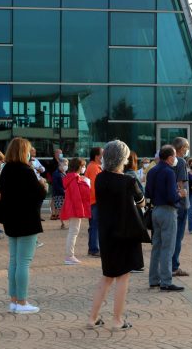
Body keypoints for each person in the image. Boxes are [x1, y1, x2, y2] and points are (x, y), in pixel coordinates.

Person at [90, 140, 146, 329]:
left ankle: (92, 318)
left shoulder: (100, 178)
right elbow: (141, 201)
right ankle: (117, 320)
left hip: (106, 233)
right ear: (123, 158)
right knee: (123, 277)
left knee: (107, 276)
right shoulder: (128, 181)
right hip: (125, 232)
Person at [0, 138, 46, 313]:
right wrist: (43, 185)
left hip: (11, 219)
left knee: (14, 261)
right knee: (24, 262)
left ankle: (13, 300)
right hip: (26, 220)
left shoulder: (6, 169)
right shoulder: (26, 171)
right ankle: (22, 302)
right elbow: (39, 194)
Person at [147, 145, 186, 291]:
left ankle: (154, 279)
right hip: (168, 211)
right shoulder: (169, 172)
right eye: (174, 156)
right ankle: (166, 281)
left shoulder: (152, 171)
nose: (175, 159)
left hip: (155, 210)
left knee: (156, 246)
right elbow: (171, 196)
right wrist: (180, 195)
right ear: (170, 158)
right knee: (168, 247)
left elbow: (148, 192)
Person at [61, 157, 91, 265]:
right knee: (73, 231)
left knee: (73, 231)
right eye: (83, 166)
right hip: (75, 208)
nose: (84, 168)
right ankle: (69, 256)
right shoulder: (75, 178)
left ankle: (70, 255)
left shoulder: (72, 177)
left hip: (73, 207)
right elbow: (77, 196)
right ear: (78, 167)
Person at [171, 138, 192, 277]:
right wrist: (184, 200)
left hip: (172, 203)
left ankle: (169, 264)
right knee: (178, 237)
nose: (187, 150)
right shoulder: (182, 162)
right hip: (181, 204)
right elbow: (181, 183)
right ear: (181, 148)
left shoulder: (169, 162)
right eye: (186, 147)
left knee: (172, 237)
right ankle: (174, 266)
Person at [85, 147, 103, 257]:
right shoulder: (94, 167)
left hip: (93, 200)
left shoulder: (93, 166)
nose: (103, 156)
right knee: (95, 225)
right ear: (97, 156)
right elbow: (95, 187)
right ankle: (94, 249)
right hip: (95, 200)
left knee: (93, 225)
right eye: (102, 154)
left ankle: (93, 248)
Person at [50, 159, 66, 225]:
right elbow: (56, 185)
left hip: (62, 193)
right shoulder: (56, 173)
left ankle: (61, 220)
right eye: (64, 164)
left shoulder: (63, 173)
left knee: (60, 208)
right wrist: (63, 191)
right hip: (58, 193)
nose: (66, 166)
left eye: (66, 164)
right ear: (60, 165)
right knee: (60, 208)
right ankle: (62, 223)